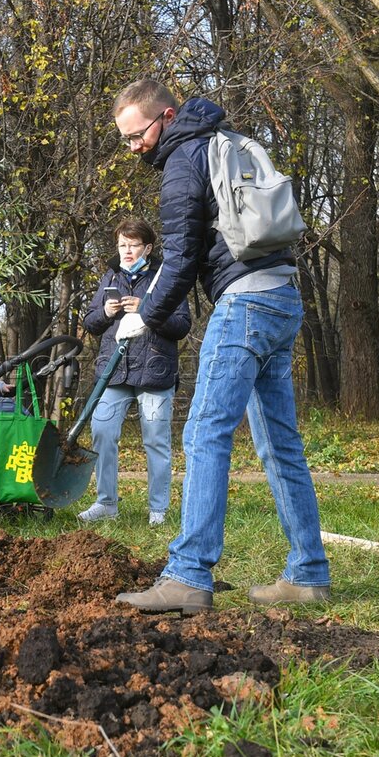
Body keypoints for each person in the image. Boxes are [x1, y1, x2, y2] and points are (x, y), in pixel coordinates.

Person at [110, 79, 330, 613]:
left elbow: (182, 260)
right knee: (280, 443)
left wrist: (147, 316)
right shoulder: (222, 139)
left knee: (206, 432)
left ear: (165, 116)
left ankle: (187, 574)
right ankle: (308, 571)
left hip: (246, 309)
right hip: (282, 297)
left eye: (136, 135)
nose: (134, 147)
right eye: (125, 140)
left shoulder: (184, 160)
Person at [79, 217, 191, 526]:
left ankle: (158, 509)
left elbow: (182, 325)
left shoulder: (165, 278)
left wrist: (147, 310)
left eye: (133, 245)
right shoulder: (110, 276)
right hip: (114, 371)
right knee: (102, 431)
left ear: (148, 247)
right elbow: (90, 322)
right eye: (122, 245)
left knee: (155, 440)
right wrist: (105, 312)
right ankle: (106, 503)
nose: (127, 251)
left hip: (154, 372)